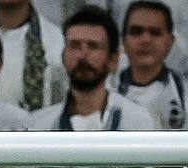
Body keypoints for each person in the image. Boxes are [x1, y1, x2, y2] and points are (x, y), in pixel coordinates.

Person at [30, 5, 158, 129]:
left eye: (93, 46)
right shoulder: (40, 125)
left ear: (113, 59)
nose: (83, 55)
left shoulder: (137, 122)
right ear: (63, 56)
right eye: (75, 45)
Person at [113, 0, 187, 129]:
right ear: (123, 40)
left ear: (170, 41)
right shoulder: (104, 92)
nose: (145, 40)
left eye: (155, 32)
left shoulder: (184, 96)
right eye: (136, 32)